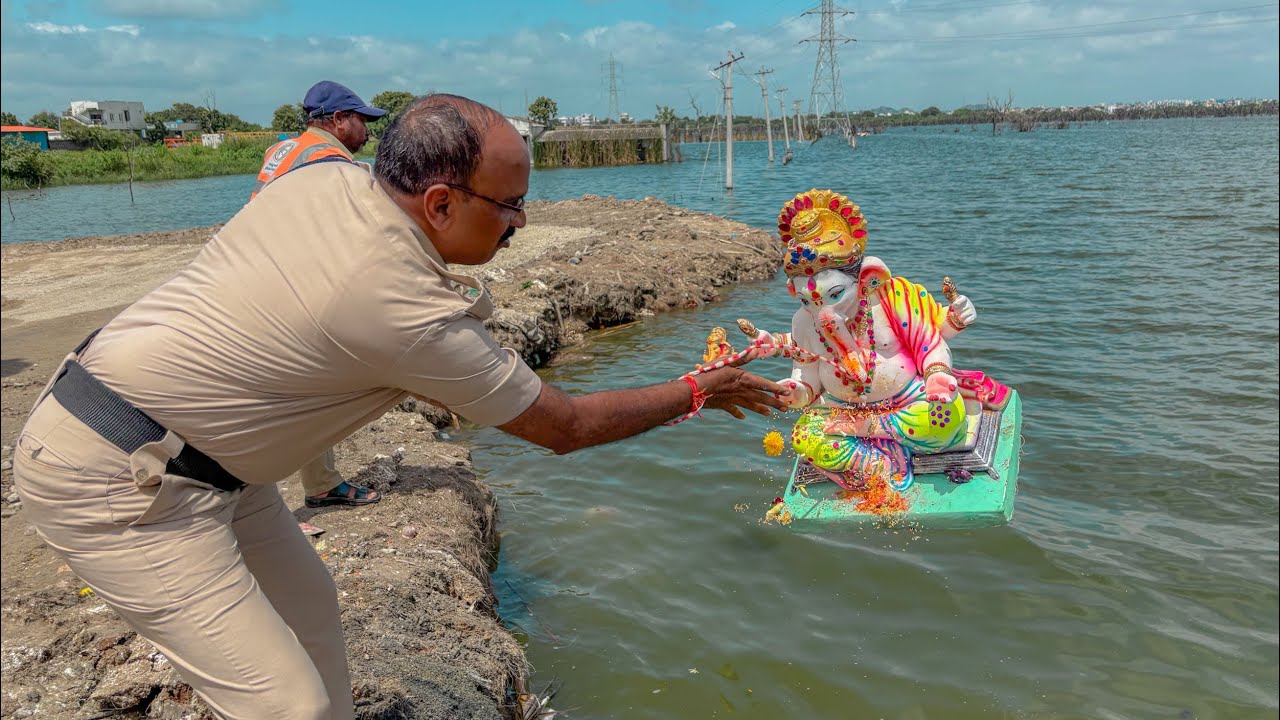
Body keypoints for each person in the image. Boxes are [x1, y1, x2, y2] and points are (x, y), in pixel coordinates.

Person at [12, 93, 787, 720]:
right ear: (442, 201)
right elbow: (566, 428)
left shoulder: (328, 178)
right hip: (122, 476)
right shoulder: (399, 307)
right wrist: (697, 390)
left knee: (312, 611)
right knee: (288, 706)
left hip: (208, 459)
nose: (522, 223)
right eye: (512, 204)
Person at [252, 81, 389, 534]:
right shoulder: (329, 161)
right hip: (288, 287)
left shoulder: (284, 150)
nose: (366, 129)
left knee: (300, 388)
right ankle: (273, 504)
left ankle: (320, 483)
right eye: (360, 120)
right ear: (336, 121)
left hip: (261, 275)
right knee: (302, 391)